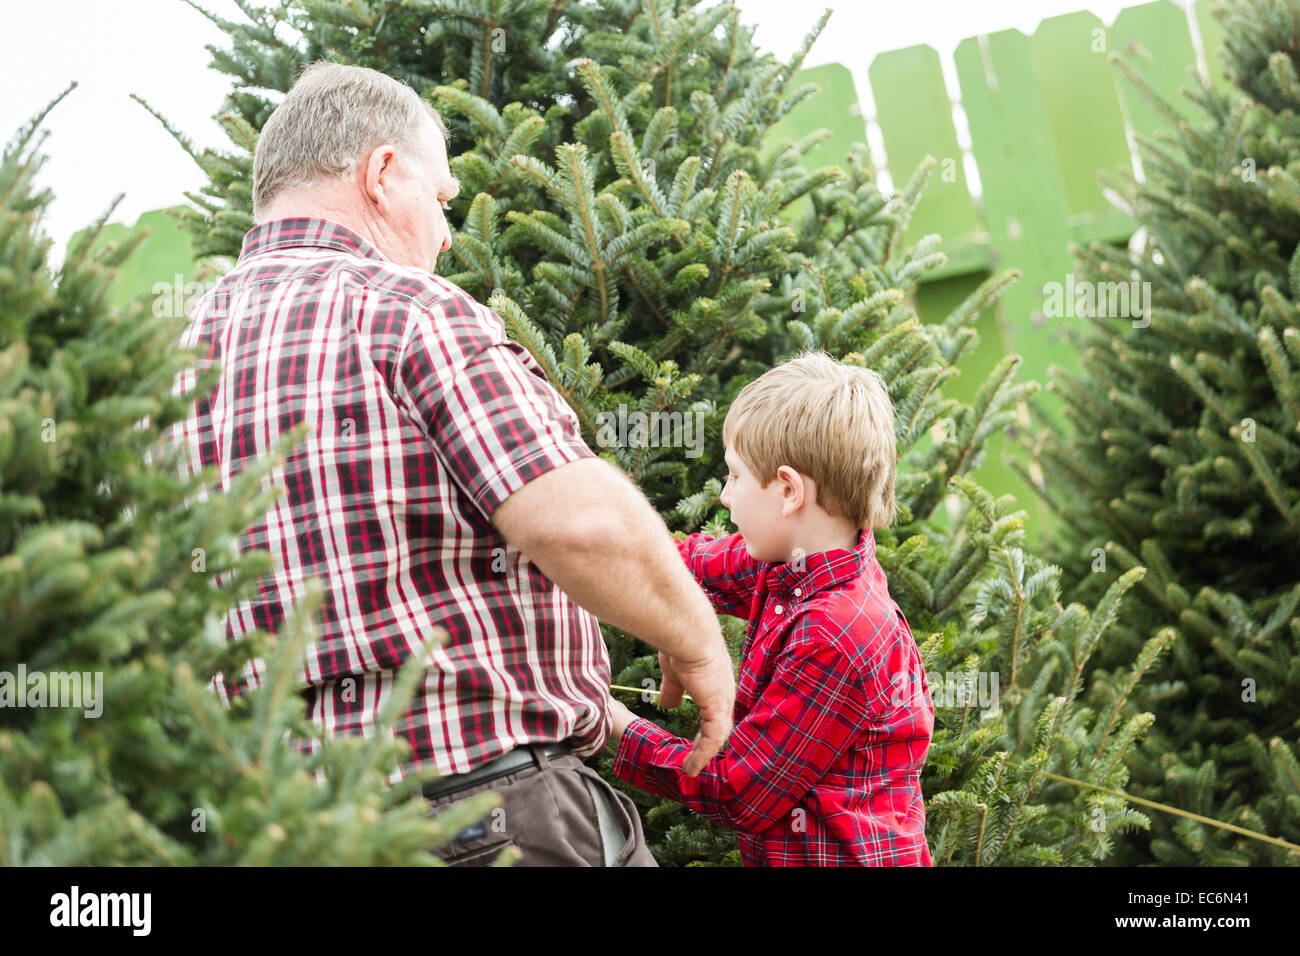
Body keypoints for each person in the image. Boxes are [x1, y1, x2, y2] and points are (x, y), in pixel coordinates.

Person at [164, 61, 735, 866]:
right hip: (481, 825)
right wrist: (698, 641)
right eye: (440, 200)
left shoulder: (163, 369)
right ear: (382, 173)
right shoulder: (406, 311)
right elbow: (577, 524)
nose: (447, 234)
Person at [606, 350, 934, 866]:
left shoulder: (838, 632)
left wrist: (615, 725)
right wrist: (588, 546)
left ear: (788, 490)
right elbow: (687, 565)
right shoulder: (788, 566)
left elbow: (739, 789)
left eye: (734, 477)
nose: (724, 497)